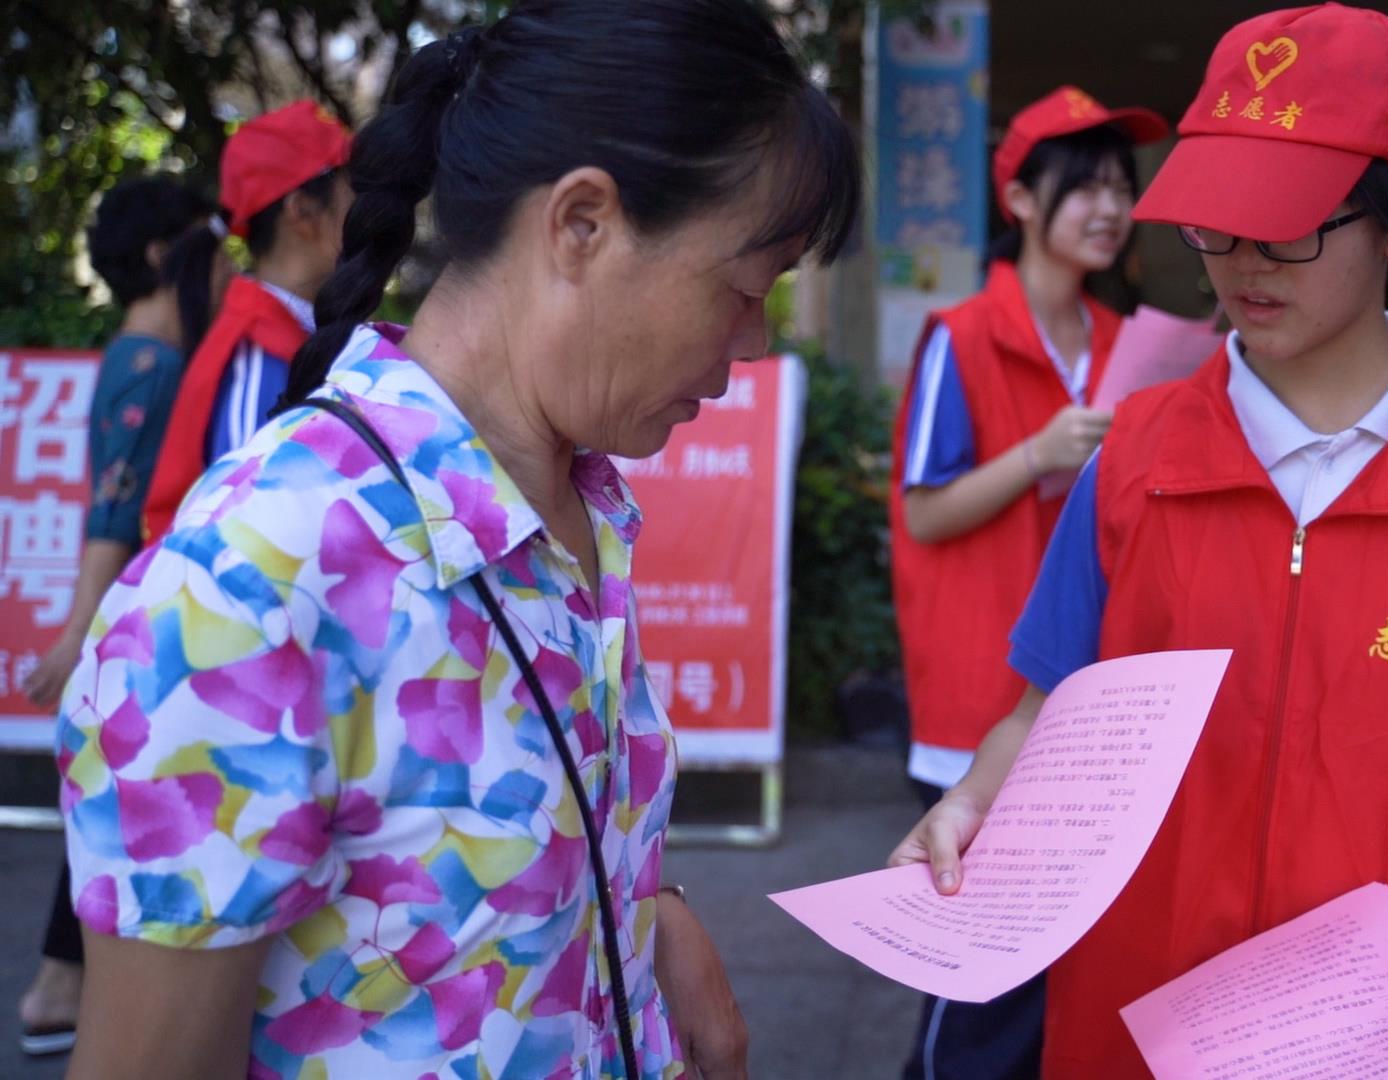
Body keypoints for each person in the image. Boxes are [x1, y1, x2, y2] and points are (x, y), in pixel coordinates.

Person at [55, 1, 859, 1077]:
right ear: (582, 224)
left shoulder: (580, 505)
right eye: (743, 289)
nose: (753, 343)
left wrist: (651, 911)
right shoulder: (248, 588)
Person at [889, 5, 1388, 1077]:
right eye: (1214, 223)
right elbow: (1041, 716)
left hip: (1387, 1018)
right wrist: (968, 803)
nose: (1242, 266)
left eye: (1288, 227)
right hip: (1136, 1009)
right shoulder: (1132, 459)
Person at [886, 85, 1165, 1080]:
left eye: (1121, 189)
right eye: (1082, 188)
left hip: (1090, 698)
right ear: (1019, 202)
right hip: (978, 695)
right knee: (980, 979)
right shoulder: (961, 336)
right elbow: (922, 512)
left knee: (1060, 962)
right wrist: (1040, 454)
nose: (1108, 209)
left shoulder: (1133, 341)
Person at [15, 175, 228, 1057]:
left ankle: (67, 987)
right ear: (160, 254)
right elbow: (115, 506)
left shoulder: (141, 356)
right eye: (212, 238)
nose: (223, 263)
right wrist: (76, 632)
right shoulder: (154, 362)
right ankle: (60, 987)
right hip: (138, 609)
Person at [140, 97, 353, 539]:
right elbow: (245, 544)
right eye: (355, 185)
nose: (368, 204)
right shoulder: (259, 361)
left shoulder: (290, 335)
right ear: (302, 211)